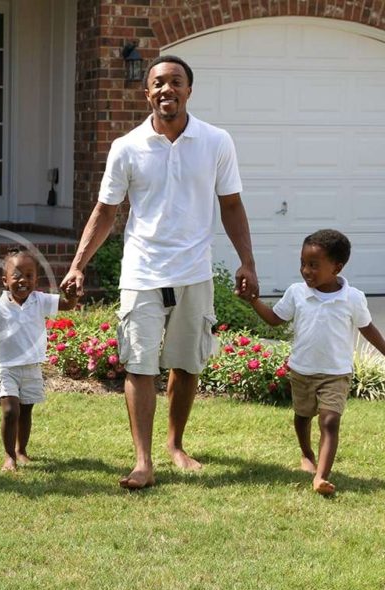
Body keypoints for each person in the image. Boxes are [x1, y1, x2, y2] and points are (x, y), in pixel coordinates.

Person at [61, 55, 259, 489]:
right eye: (158, 84)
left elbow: (231, 204)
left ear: (190, 89)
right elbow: (106, 211)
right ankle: (143, 460)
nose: (166, 90)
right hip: (143, 272)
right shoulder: (126, 147)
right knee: (140, 366)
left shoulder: (216, 141)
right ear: (145, 92)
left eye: (175, 82)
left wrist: (247, 260)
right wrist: (78, 265)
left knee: (187, 365)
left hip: (194, 271)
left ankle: (175, 444)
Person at [247, 229, 385, 495]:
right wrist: (253, 300)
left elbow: (367, 328)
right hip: (302, 370)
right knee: (302, 417)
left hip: (336, 374)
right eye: (303, 263)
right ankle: (307, 453)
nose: (306, 271)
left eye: (313, 265)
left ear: (337, 267)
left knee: (330, 421)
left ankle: (321, 476)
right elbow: (275, 319)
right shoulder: (297, 293)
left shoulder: (353, 298)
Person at [0, 248, 78, 471]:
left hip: (31, 368)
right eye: (17, 275)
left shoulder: (40, 300)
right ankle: (9, 456)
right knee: (11, 411)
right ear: (5, 280)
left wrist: (73, 295)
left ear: (36, 279)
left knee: (26, 411)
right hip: (6, 368)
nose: (23, 281)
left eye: (29, 276)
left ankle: (21, 451)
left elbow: (67, 305)